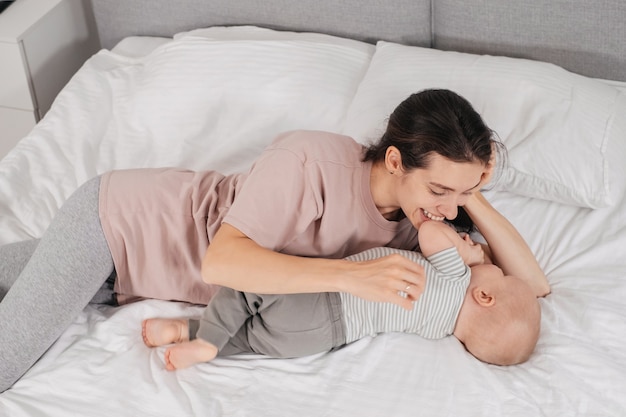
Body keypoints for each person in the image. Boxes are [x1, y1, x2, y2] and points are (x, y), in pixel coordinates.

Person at [0, 89, 550, 392]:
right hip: (121, 224)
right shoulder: (310, 160)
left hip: (127, 282)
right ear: (393, 159)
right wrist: (349, 275)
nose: (448, 208)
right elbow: (222, 262)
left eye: (461, 193)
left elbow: (530, 288)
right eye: (439, 187)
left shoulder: (423, 221)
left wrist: (470, 190)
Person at [142, 220, 541, 369]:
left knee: (247, 287)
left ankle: (206, 341)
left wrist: (466, 250)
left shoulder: (457, 279)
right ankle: (183, 332)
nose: (495, 263)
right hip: (319, 339)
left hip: (326, 297)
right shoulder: (442, 331)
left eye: (500, 275)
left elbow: (431, 234)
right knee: (250, 339)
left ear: (484, 296)